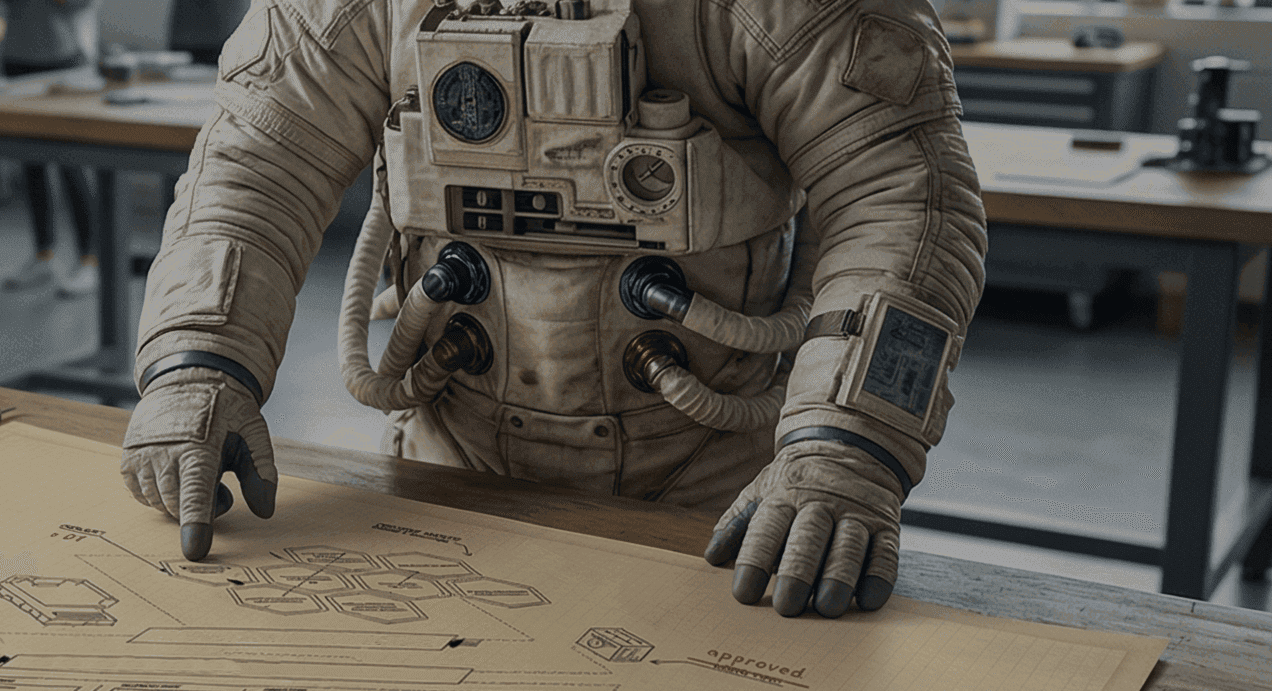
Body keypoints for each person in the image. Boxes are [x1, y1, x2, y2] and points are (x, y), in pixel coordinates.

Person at [119, 0, 985, 619]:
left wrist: (849, 446)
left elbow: (901, 200)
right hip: (443, 478)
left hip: (721, 498)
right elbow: (258, 162)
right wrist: (196, 363)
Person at [0, 0, 102, 297]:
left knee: (74, 164)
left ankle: (90, 259)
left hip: (63, 57)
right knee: (31, 163)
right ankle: (43, 254)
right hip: (17, 56)